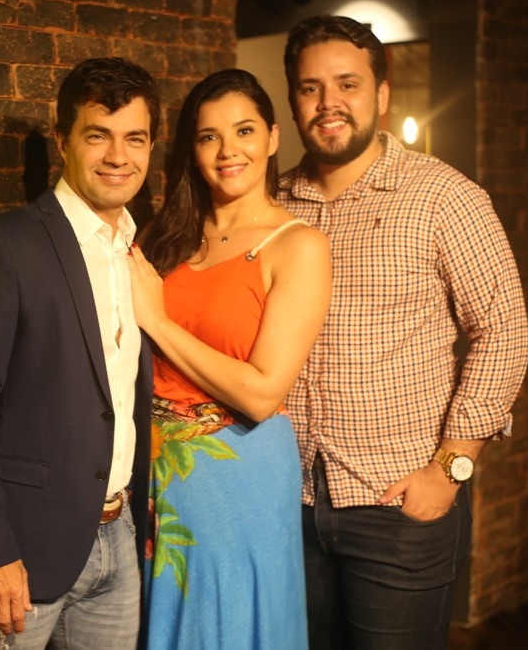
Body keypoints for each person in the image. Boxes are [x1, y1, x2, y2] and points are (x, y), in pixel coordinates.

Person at [277, 14, 528, 649]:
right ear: (293, 100)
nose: (329, 103)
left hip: (398, 507)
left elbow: (503, 331)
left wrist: (450, 468)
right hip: (286, 503)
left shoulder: (443, 197)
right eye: (310, 88)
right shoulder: (269, 204)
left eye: (348, 84)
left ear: (382, 94)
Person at [0, 57, 159, 650]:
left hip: (118, 536)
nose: (118, 156)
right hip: (21, 553)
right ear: (63, 141)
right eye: (98, 135)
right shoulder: (6, 245)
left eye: (134, 138)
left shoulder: (137, 253)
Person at [127, 68, 332, 649]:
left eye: (244, 131)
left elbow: (263, 393)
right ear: (191, 151)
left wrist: (158, 322)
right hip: (148, 470)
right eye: (208, 136)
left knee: (220, 626)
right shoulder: (162, 237)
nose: (227, 151)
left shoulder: (298, 246)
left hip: (236, 472)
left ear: (272, 137)